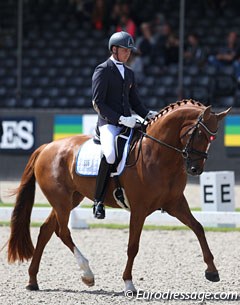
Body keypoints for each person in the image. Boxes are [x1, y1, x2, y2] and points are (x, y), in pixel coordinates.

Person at [92, 31, 157, 219]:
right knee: (111, 155)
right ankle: (98, 201)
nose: (128, 53)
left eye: (130, 50)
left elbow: (135, 101)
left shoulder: (129, 72)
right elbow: (98, 103)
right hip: (109, 124)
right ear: (114, 49)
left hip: (129, 121)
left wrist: (148, 115)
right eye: (124, 50)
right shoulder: (103, 70)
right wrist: (120, 119)